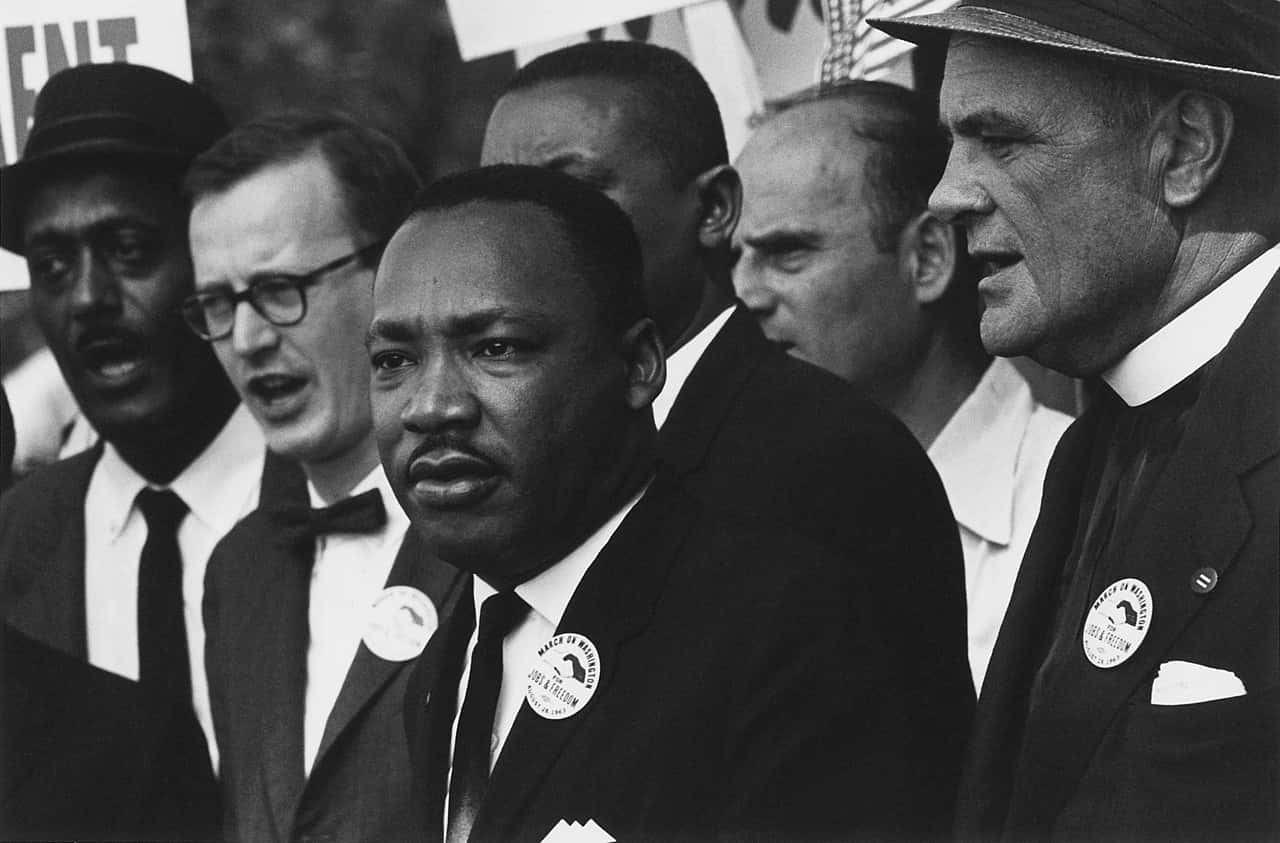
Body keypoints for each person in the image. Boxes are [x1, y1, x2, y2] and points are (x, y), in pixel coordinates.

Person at [378, 164, 952, 840]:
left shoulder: (786, 631)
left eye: (496, 347)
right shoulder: (449, 644)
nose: (433, 405)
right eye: (393, 359)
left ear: (640, 366)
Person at [480, 41, 972, 823]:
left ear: (713, 209)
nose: (517, 238)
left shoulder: (831, 454)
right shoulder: (526, 458)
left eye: (571, 193)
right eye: (500, 200)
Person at [871, 1, 1280, 838]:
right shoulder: (1102, 438)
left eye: (1004, 139)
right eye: (953, 142)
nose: (946, 195)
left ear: (1188, 148)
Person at [733, 80, 1071, 690]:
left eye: (786, 252)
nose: (745, 293)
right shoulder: (738, 519)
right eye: (733, 259)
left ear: (928, 259)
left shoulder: (1079, 499)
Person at [184, 112, 462, 843]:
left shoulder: (504, 533)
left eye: (280, 288)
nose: (247, 339)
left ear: (397, 266)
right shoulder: (238, 570)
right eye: (217, 303)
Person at [0, 63, 260, 839]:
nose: (87, 298)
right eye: (52, 266)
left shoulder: (348, 502)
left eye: (128, 247)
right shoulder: (17, 539)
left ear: (215, 263)